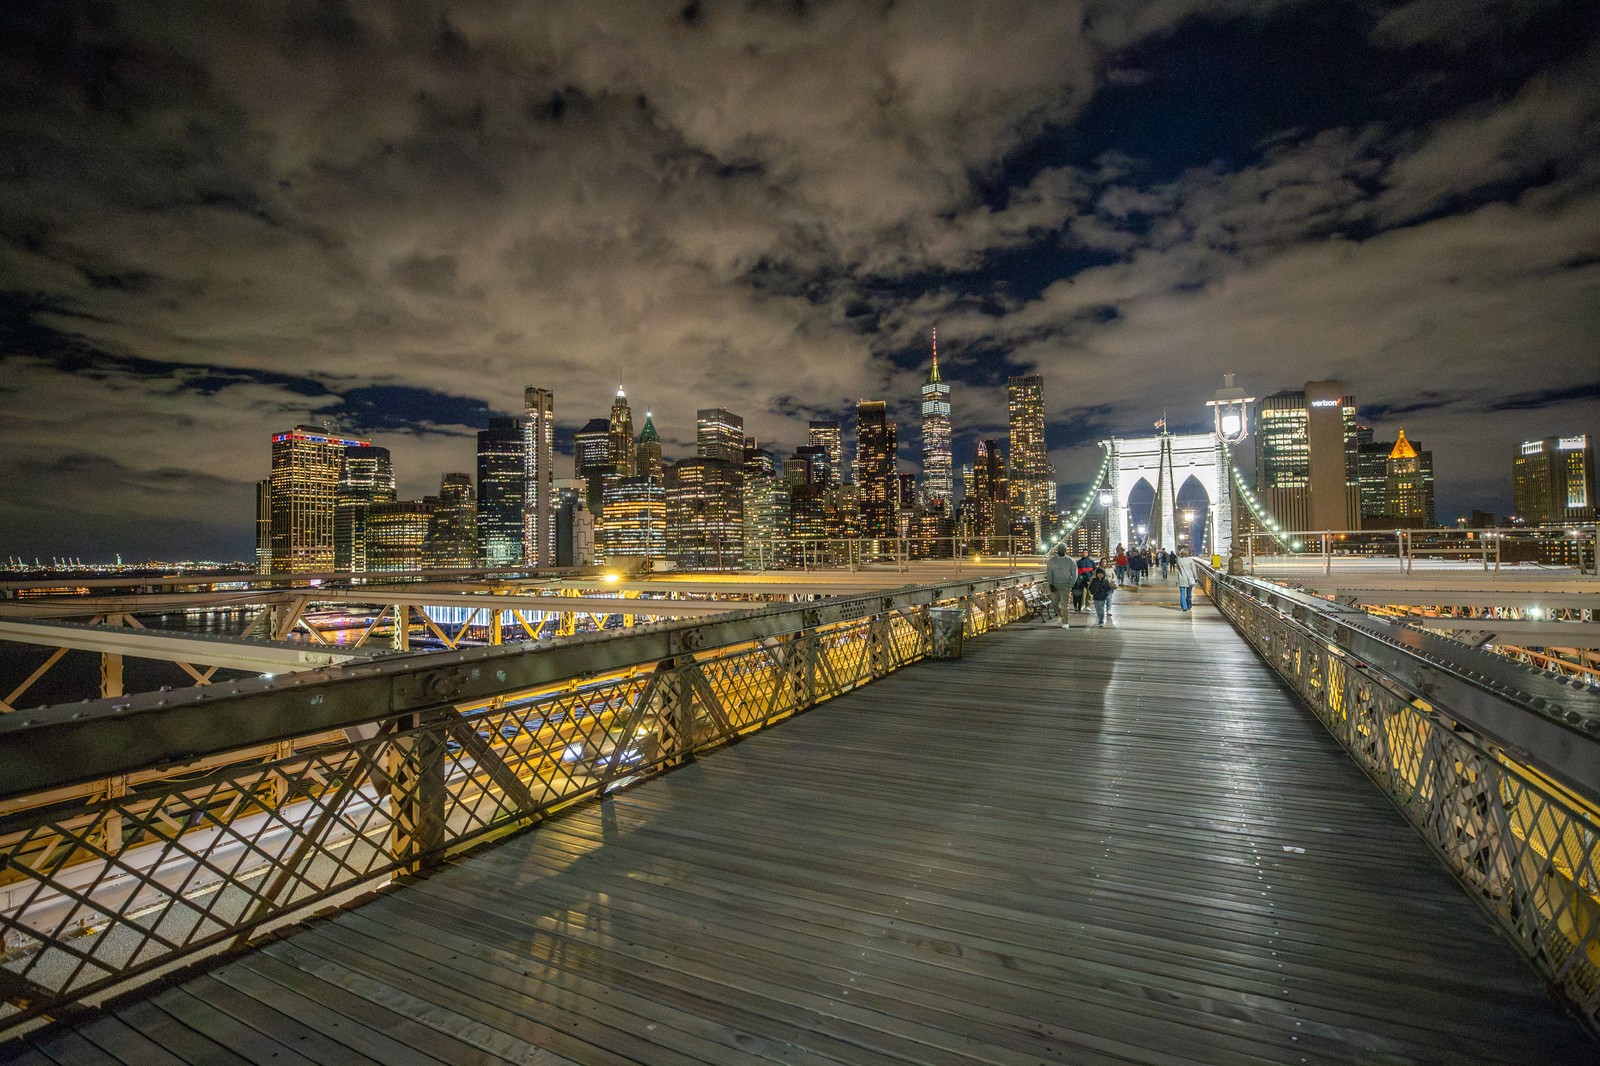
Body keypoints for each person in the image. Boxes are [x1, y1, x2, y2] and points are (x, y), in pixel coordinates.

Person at [1045, 545, 1074, 628]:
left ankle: (1066, 622)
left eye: (1063, 549)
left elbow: (1074, 574)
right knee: (1054, 604)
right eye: (1059, 549)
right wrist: (1051, 584)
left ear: (1065, 550)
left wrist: (1071, 584)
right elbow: (1049, 573)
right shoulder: (1051, 561)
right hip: (1055, 585)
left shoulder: (1070, 561)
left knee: (1065, 604)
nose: (1061, 550)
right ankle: (1061, 614)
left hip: (1066, 585)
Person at [1173, 546, 1200, 611]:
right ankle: (1189, 606)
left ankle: (1184, 607)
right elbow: (1193, 570)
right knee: (1189, 594)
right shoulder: (1190, 559)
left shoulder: (1179, 560)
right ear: (1187, 553)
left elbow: (1178, 568)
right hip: (1189, 578)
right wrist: (1196, 577)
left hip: (1181, 578)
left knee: (1182, 594)